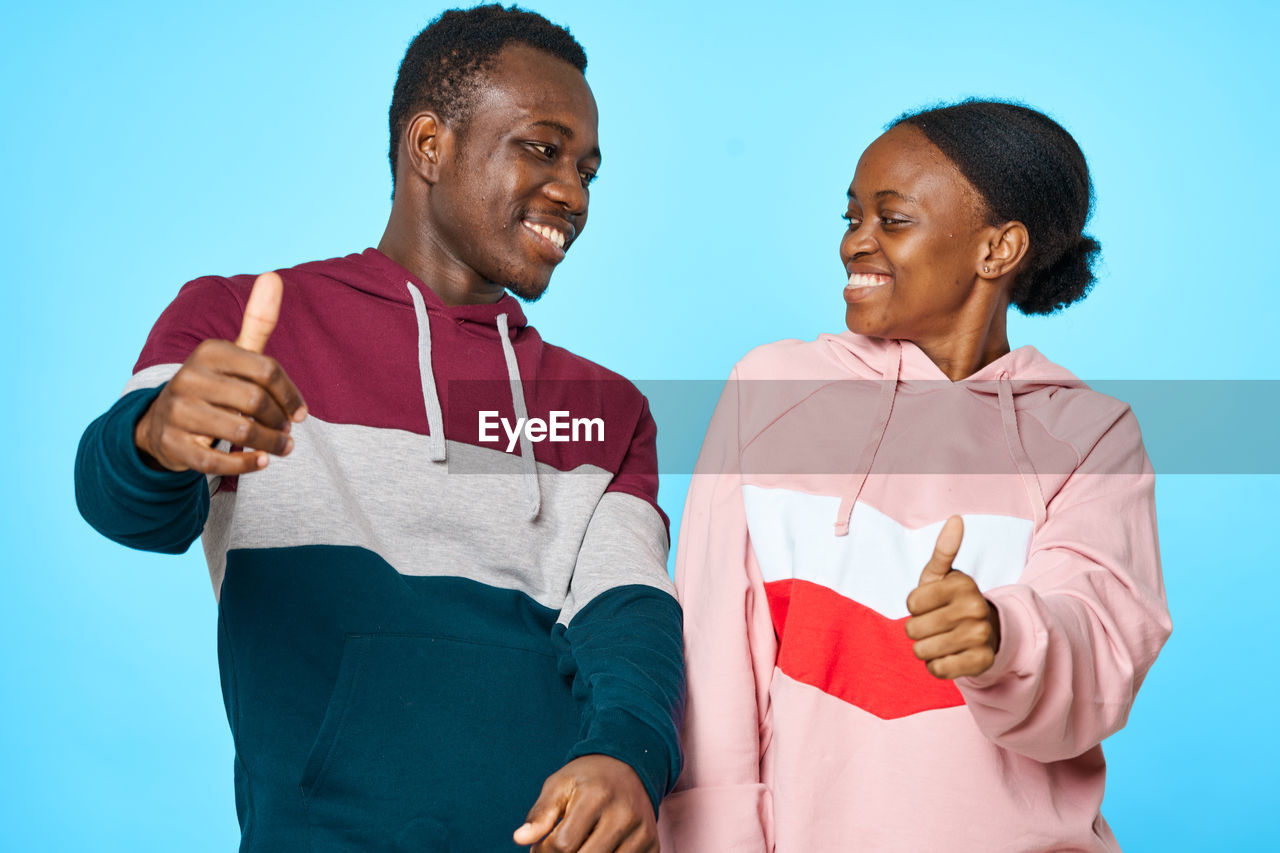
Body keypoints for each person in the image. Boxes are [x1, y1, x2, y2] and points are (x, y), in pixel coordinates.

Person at [74, 6, 682, 852]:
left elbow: (630, 616)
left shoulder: (610, 409)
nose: (573, 193)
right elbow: (127, 508)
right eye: (542, 149)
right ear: (428, 146)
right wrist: (156, 435)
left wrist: (629, 756)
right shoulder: (243, 320)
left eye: (587, 168)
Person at [659, 100, 1171, 851]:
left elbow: (1102, 644)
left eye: (891, 220)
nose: (854, 243)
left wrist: (1001, 635)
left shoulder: (1088, 434)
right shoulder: (771, 390)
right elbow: (711, 663)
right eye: (851, 216)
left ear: (997, 249)